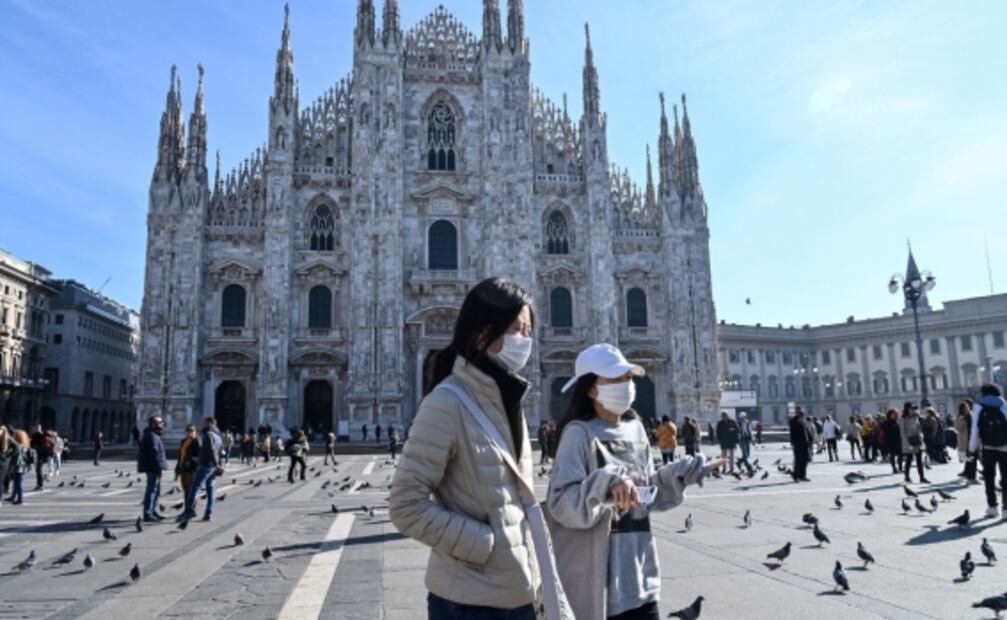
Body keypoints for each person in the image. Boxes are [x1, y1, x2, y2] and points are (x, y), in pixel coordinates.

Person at [389, 278, 543, 619]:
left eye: (529, 331)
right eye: (517, 329)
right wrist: (483, 544)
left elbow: (510, 502)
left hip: (519, 595)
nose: (525, 341)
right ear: (482, 332)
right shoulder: (446, 402)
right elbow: (404, 505)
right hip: (467, 603)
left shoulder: (509, 402)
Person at [546, 343, 719, 620]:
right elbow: (561, 504)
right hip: (601, 583)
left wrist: (678, 474)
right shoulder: (578, 434)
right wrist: (607, 482)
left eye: (628, 377)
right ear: (591, 388)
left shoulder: (636, 429)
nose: (626, 384)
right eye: (615, 378)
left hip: (642, 576)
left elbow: (644, 495)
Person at [969, 384, 1007, 519]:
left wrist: (972, 447)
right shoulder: (1004, 405)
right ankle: (1006, 510)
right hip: (1005, 448)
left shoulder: (979, 407)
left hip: (988, 448)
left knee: (989, 478)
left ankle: (992, 507)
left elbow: (975, 430)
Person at [180, 417, 223, 522]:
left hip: (206, 465)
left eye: (204, 422)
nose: (202, 424)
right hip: (212, 466)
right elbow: (220, 452)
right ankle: (208, 514)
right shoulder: (218, 437)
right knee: (211, 490)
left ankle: (188, 511)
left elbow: (212, 451)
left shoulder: (208, 435)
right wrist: (218, 465)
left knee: (195, 487)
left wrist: (216, 465)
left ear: (210, 423)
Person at [137, 416, 168, 522]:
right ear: (153, 424)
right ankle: (148, 514)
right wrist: (158, 469)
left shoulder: (153, 435)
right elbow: (154, 454)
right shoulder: (152, 436)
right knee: (152, 491)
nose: (162, 424)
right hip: (153, 468)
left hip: (152, 467)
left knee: (155, 490)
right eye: (160, 422)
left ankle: (152, 511)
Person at [175, 424, 201, 517]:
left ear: (195, 431)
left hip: (192, 469)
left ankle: (191, 509)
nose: (190, 432)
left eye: (192, 430)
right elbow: (180, 455)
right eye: (188, 430)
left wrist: (190, 461)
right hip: (183, 468)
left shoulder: (197, 441)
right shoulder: (183, 441)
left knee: (191, 489)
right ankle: (187, 509)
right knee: (186, 489)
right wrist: (177, 467)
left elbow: (199, 455)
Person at [900, 403, 928, 484]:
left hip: (917, 440)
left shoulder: (916, 417)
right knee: (909, 460)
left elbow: (919, 429)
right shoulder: (903, 419)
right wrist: (907, 444)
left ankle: (922, 477)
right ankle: (907, 476)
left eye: (914, 409)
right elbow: (903, 433)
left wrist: (921, 440)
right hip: (909, 441)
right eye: (911, 409)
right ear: (907, 409)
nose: (913, 410)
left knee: (919, 460)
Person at [788, 407, 813, 482]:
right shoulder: (793, 421)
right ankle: (795, 475)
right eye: (800, 413)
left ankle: (802, 475)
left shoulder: (803, 421)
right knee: (798, 460)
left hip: (805, 443)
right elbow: (792, 430)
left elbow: (806, 431)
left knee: (805, 459)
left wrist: (810, 439)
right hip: (797, 443)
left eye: (802, 413)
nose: (802, 415)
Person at [955, 400, 977, 482]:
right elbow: (957, 428)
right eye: (965, 408)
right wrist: (962, 419)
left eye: (968, 407)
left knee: (972, 459)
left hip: (973, 440)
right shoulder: (961, 418)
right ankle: (971, 476)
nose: (967, 409)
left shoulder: (971, 416)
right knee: (970, 459)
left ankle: (970, 475)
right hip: (966, 441)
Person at [7, 430, 29, 505]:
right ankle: (14, 497)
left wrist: (13, 466)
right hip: (22, 466)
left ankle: (20, 499)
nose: (13, 436)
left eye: (15, 435)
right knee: (17, 482)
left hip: (18, 466)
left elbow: (17, 458)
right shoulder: (24, 445)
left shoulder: (18, 446)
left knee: (18, 483)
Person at [29, 424, 48, 490]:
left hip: (39, 454)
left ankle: (40, 485)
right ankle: (39, 484)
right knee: (38, 470)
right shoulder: (42, 435)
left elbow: (32, 444)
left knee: (38, 470)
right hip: (43, 455)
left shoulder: (36, 435)